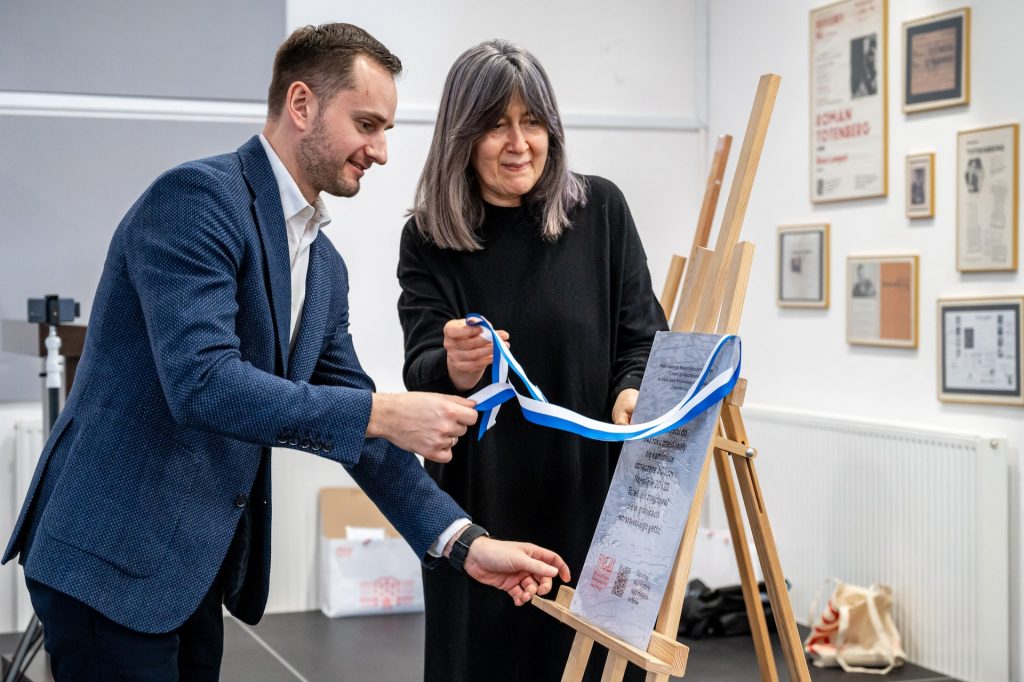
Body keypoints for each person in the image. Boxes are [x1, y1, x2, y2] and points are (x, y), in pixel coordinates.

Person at [1, 24, 570, 681]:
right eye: (366, 125)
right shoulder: (196, 201)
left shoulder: (323, 267)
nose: (382, 151)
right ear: (302, 105)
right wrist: (383, 412)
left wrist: (466, 543)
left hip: (188, 572)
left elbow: (364, 436)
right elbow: (204, 384)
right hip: (110, 557)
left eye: (385, 129)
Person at [397, 40, 668, 682]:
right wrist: (457, 366)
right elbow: (420, 370)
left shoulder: (599, 212)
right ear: (462, 136)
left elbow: (642, 336)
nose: (519, 143)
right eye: (496, 124)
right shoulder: (428, 238)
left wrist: (630, 390)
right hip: (482, 514)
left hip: (590, 505)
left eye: (533, 122)